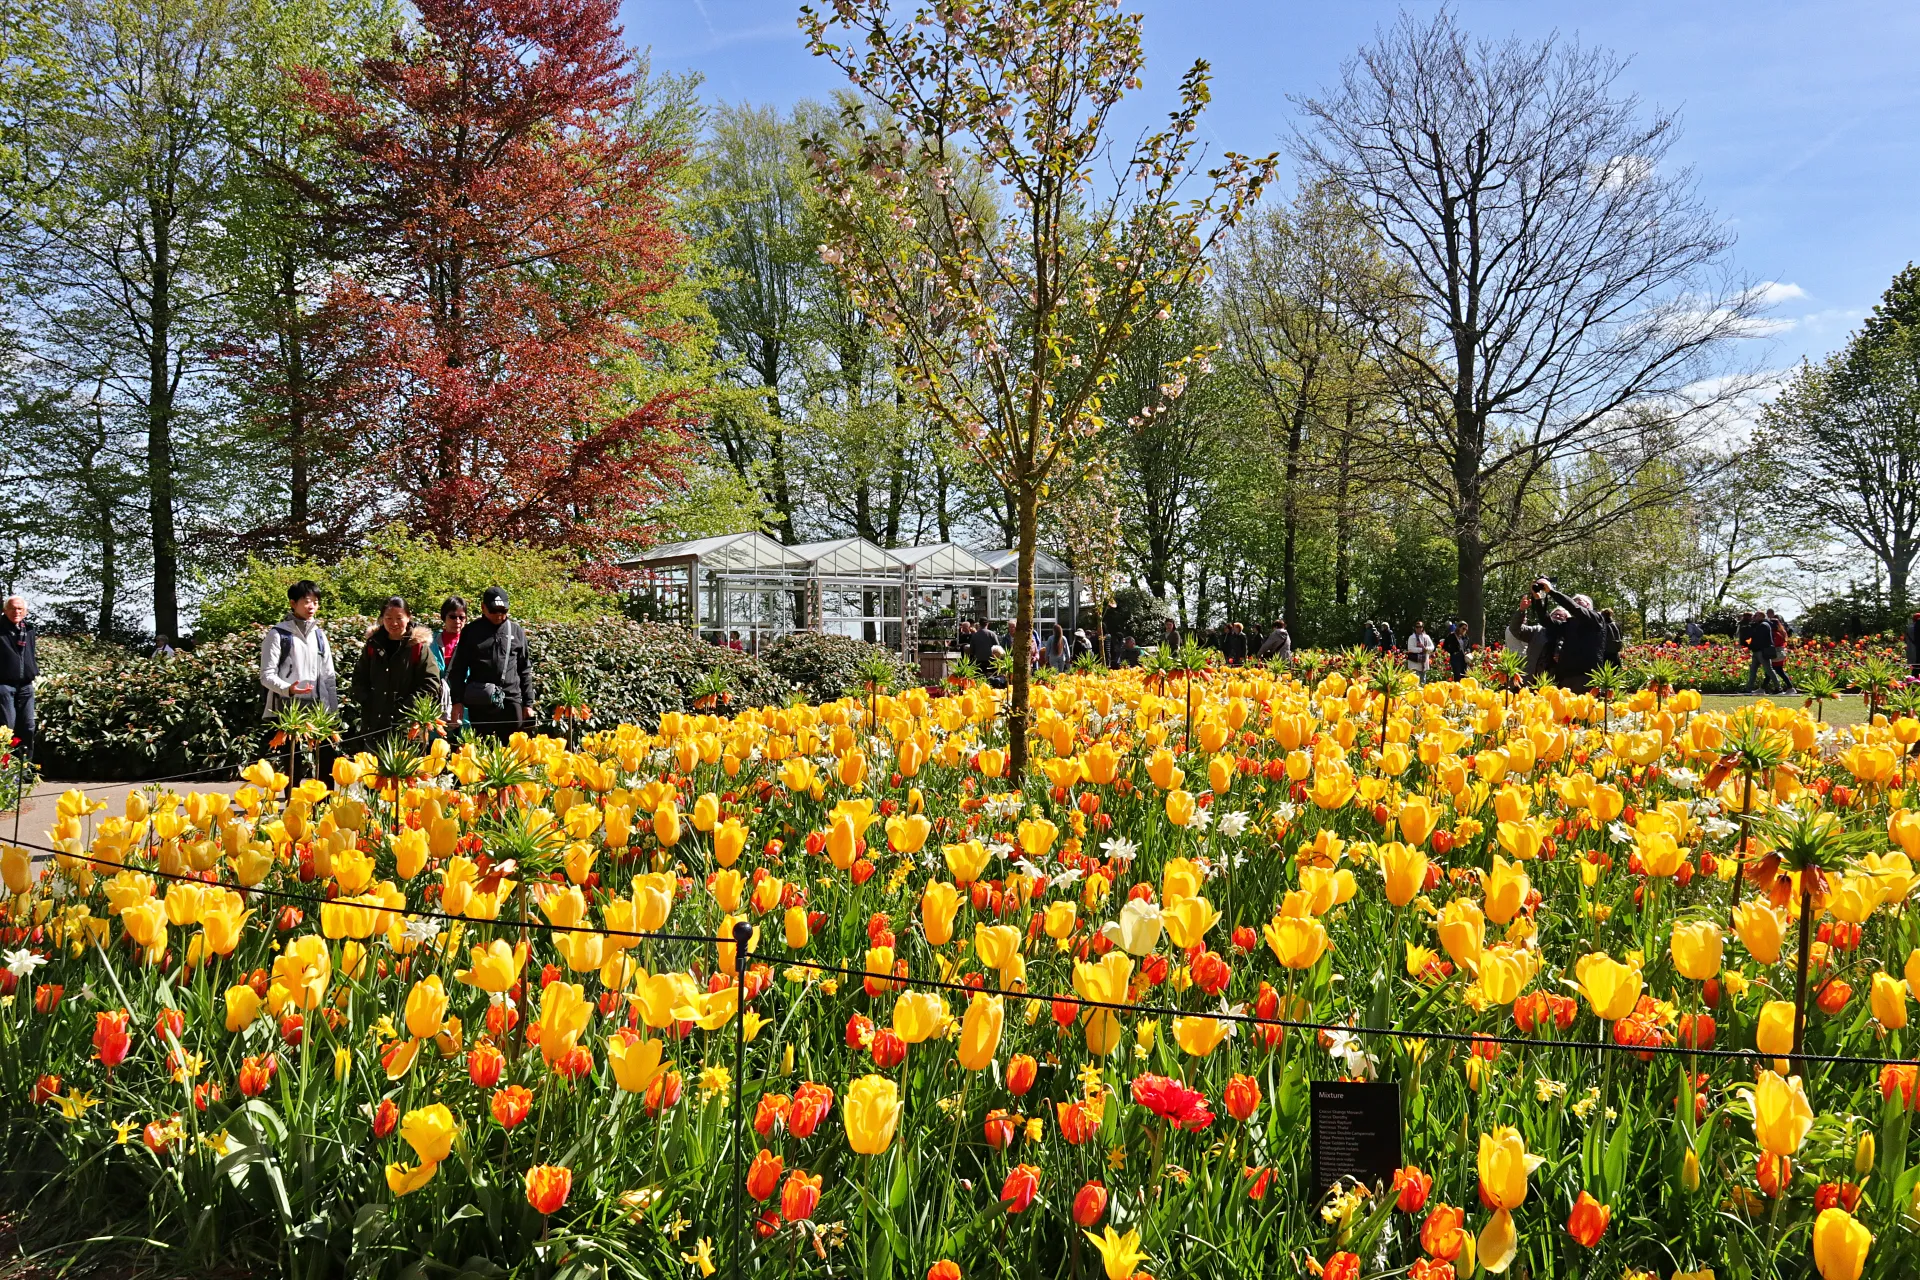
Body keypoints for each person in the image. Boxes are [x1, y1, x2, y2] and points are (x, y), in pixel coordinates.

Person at [259, 580, 341, 778]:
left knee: (326, 762)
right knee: (292, 763)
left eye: (315, 601)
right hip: (289, 708)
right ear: (293, 603)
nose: (311, 606)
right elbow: (266, 675)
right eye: (306, 601)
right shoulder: (278, 634)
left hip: (319, 708)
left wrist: (334, 712)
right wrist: (289, 688)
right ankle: (292, 806)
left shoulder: (320, 635)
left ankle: (324, 807)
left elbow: (329, 677)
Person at [449, 586, 535, 741]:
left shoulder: (516, 631)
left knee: (514, 751)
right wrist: (457, 702)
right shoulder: (471, 631)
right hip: (481, 700)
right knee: (483, 751)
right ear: (483, 607)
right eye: (494, 611)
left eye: (503, 611)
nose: (499, 615)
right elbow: (458, 669)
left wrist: (528, 704)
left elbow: (524, 669)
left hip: (511, 700)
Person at [353, 597, 443, 738]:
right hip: (374, 725)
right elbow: (359, 677)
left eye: (399, 618)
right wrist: (367, 700)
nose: (394, 623)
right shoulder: (373, 645)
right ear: (382, 619)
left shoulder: (418, 647)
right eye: (388, 618)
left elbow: (430, 684)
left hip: (408, 726)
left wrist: (405, 707)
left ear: (408, 618)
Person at [0, 595, 38, 759]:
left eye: (20, 608)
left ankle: (24, 769)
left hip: (25, 685)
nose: (17, 611)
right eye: (13, 608)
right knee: (7, 728)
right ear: (5, 610)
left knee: (28, 727)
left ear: (25, 611)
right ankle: (4, 768)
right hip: (4, 685)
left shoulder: (28, 630)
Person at [1739, 610, 1781, 694]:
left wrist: (1750, 644)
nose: (1754, 617)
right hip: (1756, 651)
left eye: (1756, 616)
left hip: (1762, 651)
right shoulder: (1758, 625)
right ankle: (1748, 689)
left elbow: (1756, 637)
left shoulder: (1764, 625)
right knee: (1753, 671)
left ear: (1762, 616)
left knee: (1769, 670)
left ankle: (1778, 688)